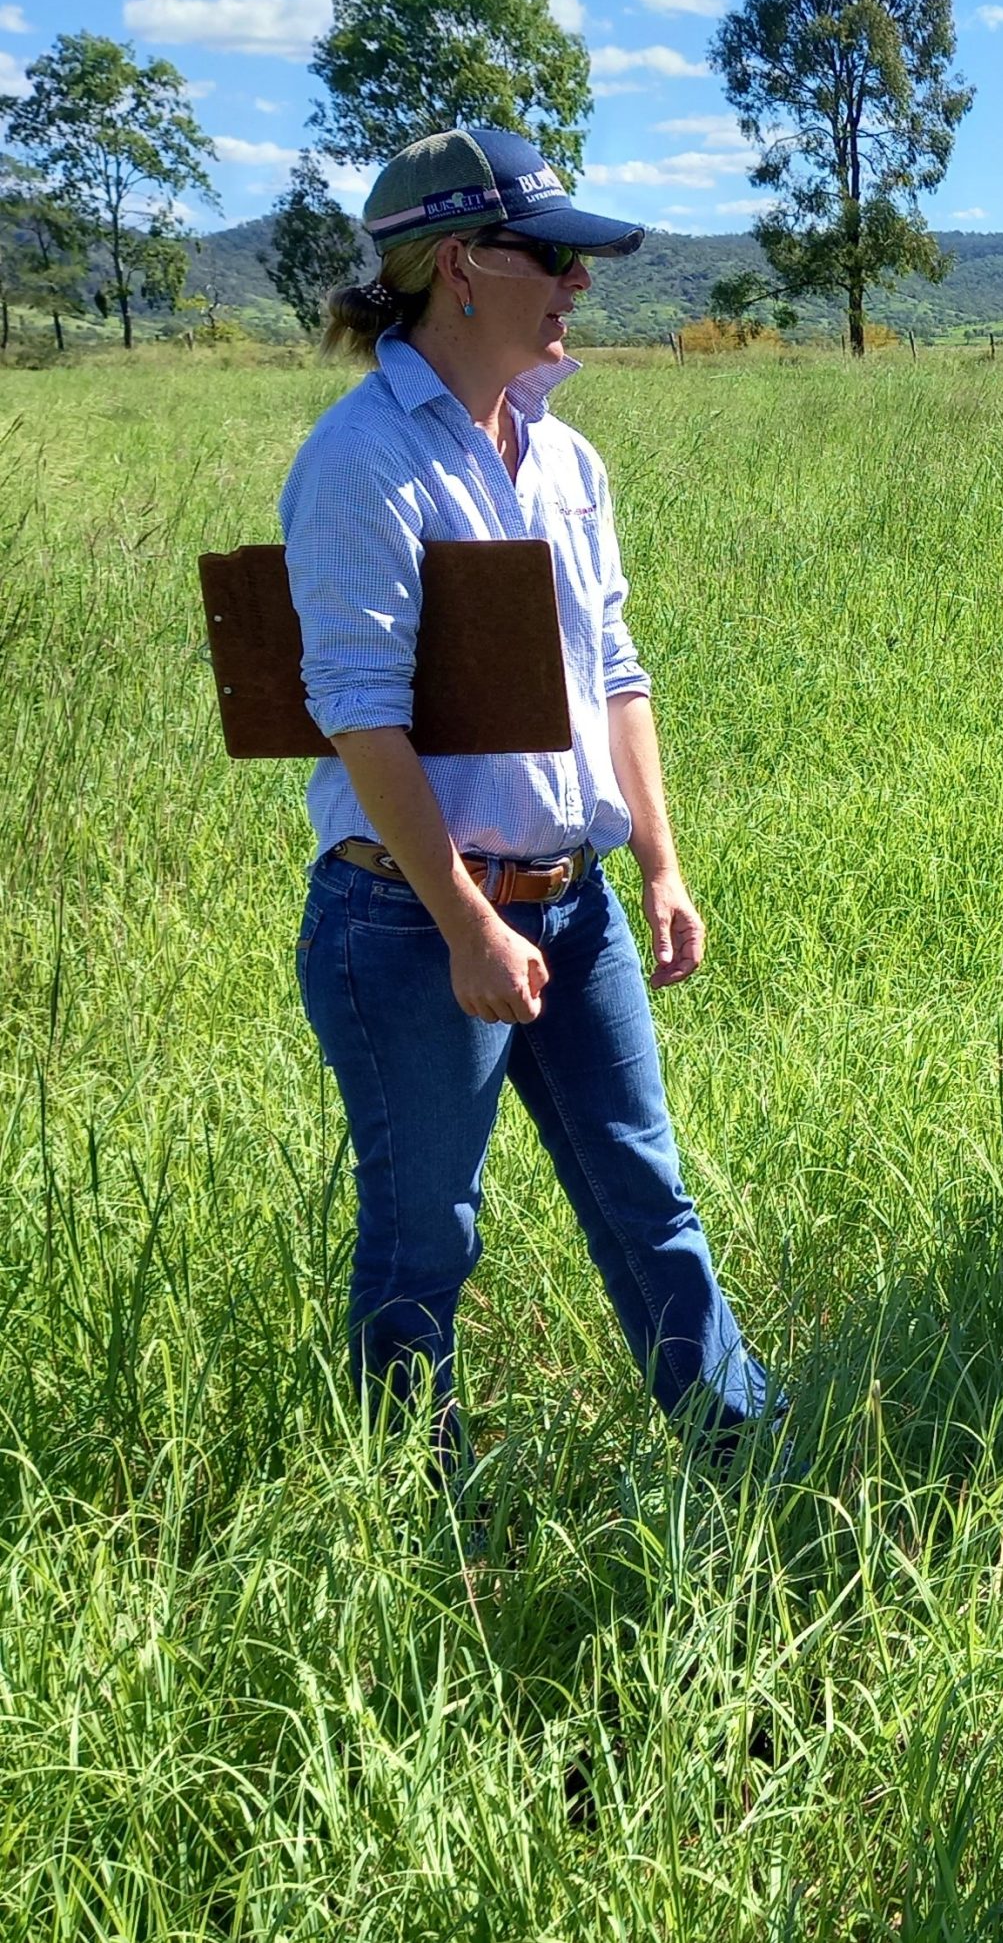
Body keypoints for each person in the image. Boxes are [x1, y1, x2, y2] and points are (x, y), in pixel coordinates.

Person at [282, 125, 775, 1472]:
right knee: (427, 1231)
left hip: (577, 902)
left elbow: (617, 672)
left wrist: (661, 867)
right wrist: (461, 924)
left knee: (649, 1196)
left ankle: (745, 1452)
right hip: (410, 929)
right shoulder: (364, 460)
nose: (580, 283)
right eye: (550, 254)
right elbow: (357, 711)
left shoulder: (566, 461)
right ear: (459, 268)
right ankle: (412, 1505)